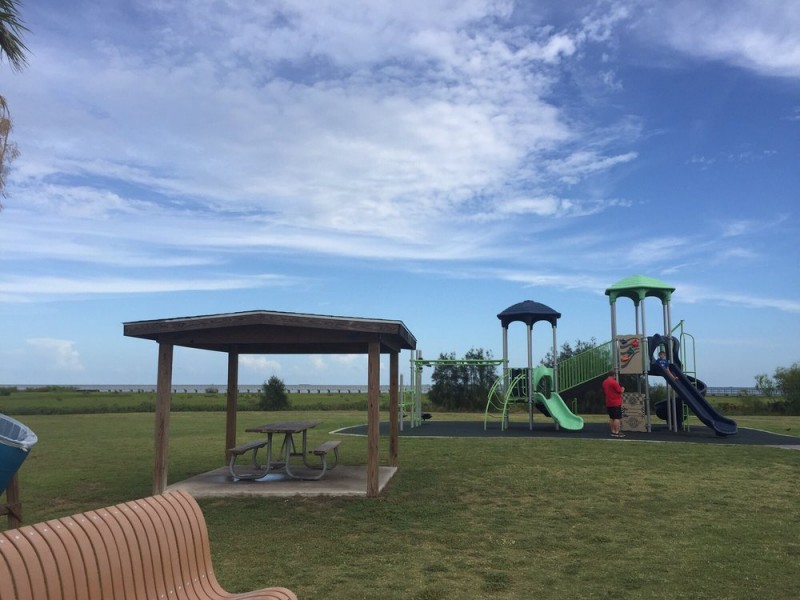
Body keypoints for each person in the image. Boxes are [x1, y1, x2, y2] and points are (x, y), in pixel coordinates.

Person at [602, 369, 625, 438]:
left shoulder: (604, 382)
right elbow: (619, 391)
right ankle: (617, 432)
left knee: (612, 417)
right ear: (614, 375)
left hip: (609, 402)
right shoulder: (614, 382)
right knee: (617, 418)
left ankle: (613, 431)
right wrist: (622, 389)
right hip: (616, 402)